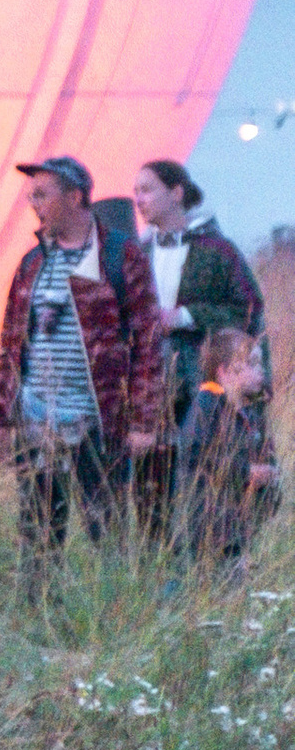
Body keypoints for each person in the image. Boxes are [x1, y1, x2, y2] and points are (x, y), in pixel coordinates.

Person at [0, 155, 166, 569]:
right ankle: (39, 613)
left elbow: (148, 343)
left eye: (42, 194)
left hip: (95, 421)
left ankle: (113, 613)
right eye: (32, 195)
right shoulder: (33, 263)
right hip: (36, 420)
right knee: (38, 531)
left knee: (108, 529)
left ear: (75, 196)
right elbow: (11, 344)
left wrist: (142, 421)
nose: (34, 202)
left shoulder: (119, 257)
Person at [130, 160, 266, 530]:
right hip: (152, 379)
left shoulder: (217, 250)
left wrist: (185, 316)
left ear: (176, 193)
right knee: (153, 474)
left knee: (204, 469)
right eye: (136, 191)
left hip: (205, 377)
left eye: (147, 189)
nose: (138, 199)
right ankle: (156, 562)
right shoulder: (138, 252)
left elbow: (248, 308)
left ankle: (206, 554)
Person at [175, 325, 278, 562]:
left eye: (260, 363)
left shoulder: (249, 413)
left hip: (237, 531)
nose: (260, 371)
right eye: (251, 363)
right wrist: (247, 472)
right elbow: (197, 456)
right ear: (223, 371)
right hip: (203, 533)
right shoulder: (206, 406)